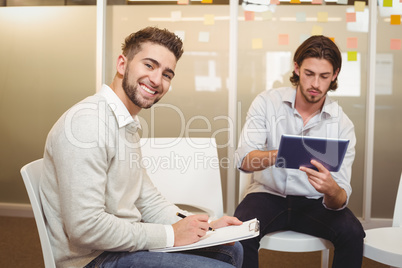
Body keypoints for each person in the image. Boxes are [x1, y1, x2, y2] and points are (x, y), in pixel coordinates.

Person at [40, 27, 243, 268]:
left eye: (167, 74)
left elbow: (147, 200)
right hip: (93, 258)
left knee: (233, 250)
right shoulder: (87, 124)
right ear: (122, 64)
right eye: (149, 65)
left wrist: (206, 227)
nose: (157, 80)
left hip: (122, 245)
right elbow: (85, 228)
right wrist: (171, 235)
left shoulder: (126, 123)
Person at [234, 35, 365, 268]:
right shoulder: (267, 102)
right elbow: (244, 160)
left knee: (353, 233)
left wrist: (331, 189)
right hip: (267, 195)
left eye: (324, 76)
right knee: (240, 233)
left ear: (334, 75)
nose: (315, 83)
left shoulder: (342, 124)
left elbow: (340, 199)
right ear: (296, 68)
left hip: (314, 202)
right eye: (309, 73)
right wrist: (282, 154)